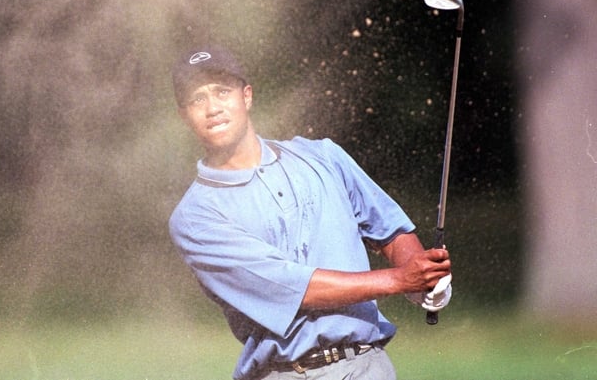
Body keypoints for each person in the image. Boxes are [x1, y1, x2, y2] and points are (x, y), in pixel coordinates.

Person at [168, 45, 453, 380]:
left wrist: (424, 282)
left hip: (369, 366)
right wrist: (398, 280)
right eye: (197, 99)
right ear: (184, 115)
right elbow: (292, 287)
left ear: (246, 96)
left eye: (221, 91)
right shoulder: (195, 217)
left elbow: (389, 230)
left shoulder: (322, 156)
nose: (212, 107)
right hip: (286, 372)